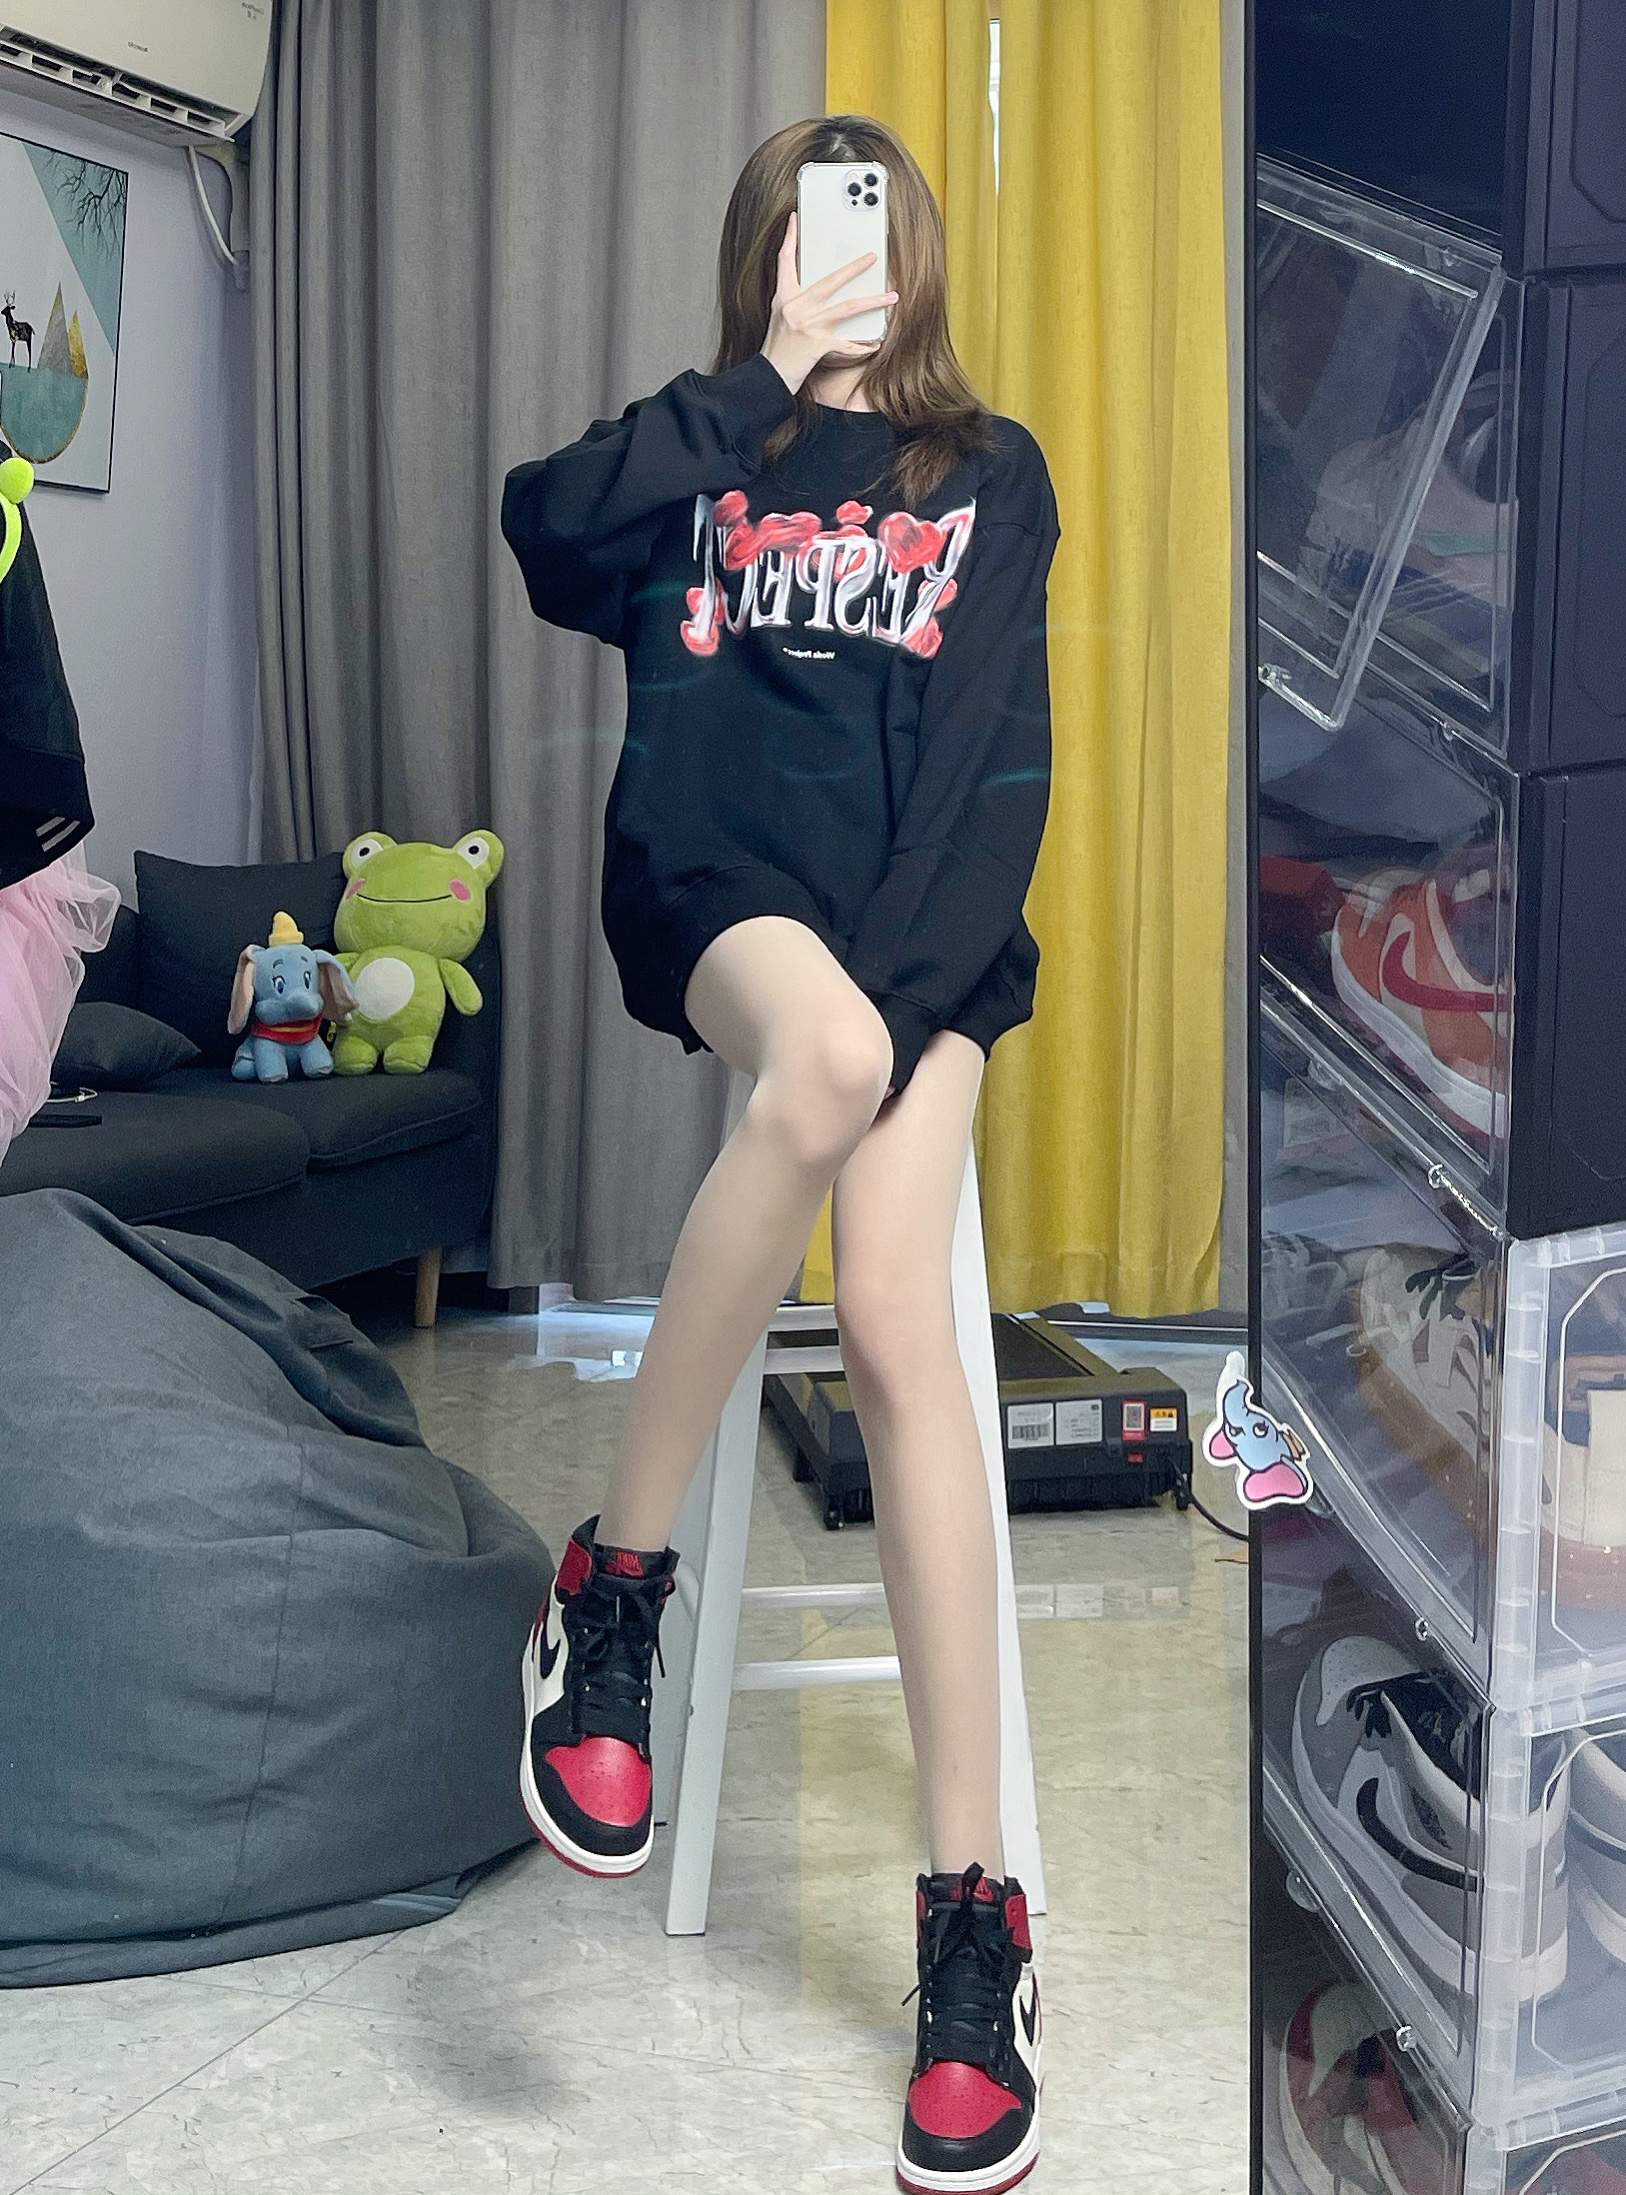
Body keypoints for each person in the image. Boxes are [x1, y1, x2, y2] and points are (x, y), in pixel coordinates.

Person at [501, 112, 1057, 2195]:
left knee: (899, 1327)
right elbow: (542, 532)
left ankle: (972, 1929)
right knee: (812, 1054)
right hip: (725, 899)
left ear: (919, 251)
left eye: (878, 223)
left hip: (923, 948)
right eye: (818, 227)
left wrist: (905, 1016)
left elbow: (994, 775)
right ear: (766, 252)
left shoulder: (989, 475)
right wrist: (752, 387)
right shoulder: (695, 458)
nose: (854, 251)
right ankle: (614, 1591)